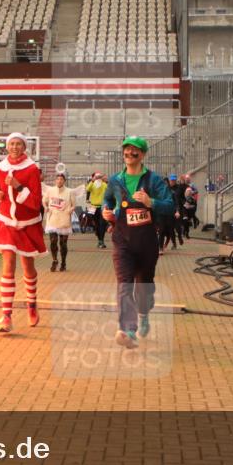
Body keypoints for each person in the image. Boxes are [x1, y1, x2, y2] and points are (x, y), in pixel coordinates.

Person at [102, 136, 175, 349]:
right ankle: (128, 330)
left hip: (146, 242)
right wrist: (105, 211)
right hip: (122, 240)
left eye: (135, 151)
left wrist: (151, 202)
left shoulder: (153, 181)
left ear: (142, 155)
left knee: (143, 287)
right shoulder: (116, 180)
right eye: (126, 150)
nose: (130, 154)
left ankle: (144, 314)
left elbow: (170, 205)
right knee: (124, 284)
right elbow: (107, 199)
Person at [0, 132, 46, 333]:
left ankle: (31, 304)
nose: (15, 147)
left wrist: (18, 186)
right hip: (6, 221)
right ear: (7, 146)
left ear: (24, 147)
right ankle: (6, 315)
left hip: (27, 223)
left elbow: (36, 202)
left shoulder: (31, 169)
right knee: (8, 264)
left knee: (28, 267)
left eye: (18, 144)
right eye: (12, 144)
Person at [43, 172, 76, 272]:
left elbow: (74, 204)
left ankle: (63, 262)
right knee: (53, 241)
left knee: (63, 243)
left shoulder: (69, 191)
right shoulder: (50, 190)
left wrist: (71, 209)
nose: (59, 181)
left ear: (64, 181)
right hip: (53, 218)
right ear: (55, 181)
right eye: (57, 179)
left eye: (61, 179)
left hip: (64, 219)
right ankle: (54, 260)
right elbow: (44, 200)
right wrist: (45, 207)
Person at [86, 171, 109, 248]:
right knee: (96, 224)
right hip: (93, 206)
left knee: (102, 224)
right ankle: (99, 239)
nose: (98, 179)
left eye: (99, 177)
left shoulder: (104, 184)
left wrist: (105, 180)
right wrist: (92, 181)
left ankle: (101, 241)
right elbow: (87, 189)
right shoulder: (92, 184)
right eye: (97, 177)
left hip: (102, 206)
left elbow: (109, 190)